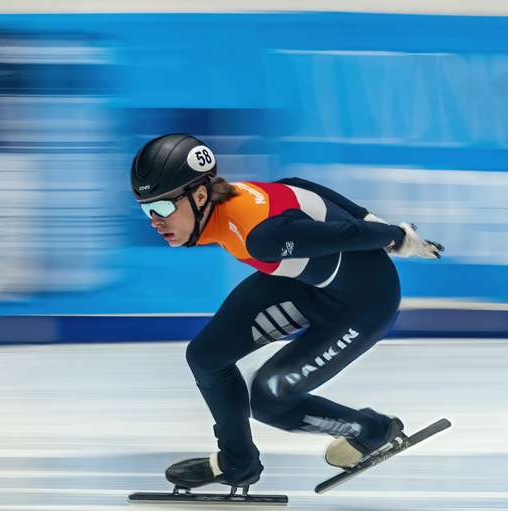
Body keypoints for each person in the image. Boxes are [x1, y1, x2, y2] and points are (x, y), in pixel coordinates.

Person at [130, 133, 443, 491]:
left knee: (269, 399)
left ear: (200, 196)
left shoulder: (260, 236)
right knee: (205, 356)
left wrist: (393, 236)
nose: (155, 220)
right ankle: (237, 463)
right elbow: (294, 186)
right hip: (307, 284)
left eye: (164, 207)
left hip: (363, 304)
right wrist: (369, 216)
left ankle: (370, 430)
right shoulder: (234, 197)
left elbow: (342, 235)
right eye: (146, 208)